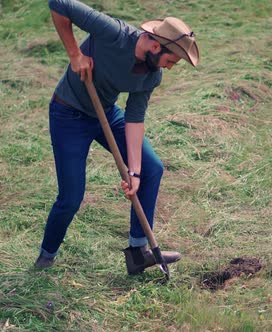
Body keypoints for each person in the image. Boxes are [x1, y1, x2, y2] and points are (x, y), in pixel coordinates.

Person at [35, 0, 200, 275]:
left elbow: (135, 119)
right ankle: (46, 255)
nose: (170, 68)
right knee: (71, 197)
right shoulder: (114, 33)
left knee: (151, 169)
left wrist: (133, 172)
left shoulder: (152, 75)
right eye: (171, 60)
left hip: (106, 114)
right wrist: (75, 54)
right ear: (156, 46)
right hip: (69, 115)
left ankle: (138, 253)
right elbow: (59, 4)